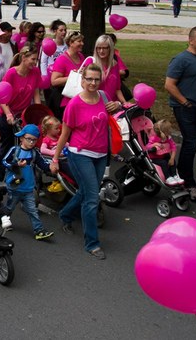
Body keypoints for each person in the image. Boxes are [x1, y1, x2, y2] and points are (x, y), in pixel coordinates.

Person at [50, 64, 114, 260]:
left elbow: (109, 118)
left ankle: (66, 215)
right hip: (80, 153)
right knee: (92, 197)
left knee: (85, 192)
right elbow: (65, 134)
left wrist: (118, 106)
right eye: (89, 79)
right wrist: (55, 158)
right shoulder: (74, 104)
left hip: (101, 154)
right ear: (82, 80)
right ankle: (92, 243)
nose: (93, 83)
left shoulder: (103, 97)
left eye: (96, 79)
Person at [164, 26, 196, 202]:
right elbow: (169, 85)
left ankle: (179, 174)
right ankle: (188, 183)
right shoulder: (181, 60)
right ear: (191, 40)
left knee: (191, 143)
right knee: (191, 142)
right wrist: (185, 102)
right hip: (185, 107)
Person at [0, 45, 42, 180]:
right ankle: (1, 176)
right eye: (32, 59)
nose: (34, 63)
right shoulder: (12, 73)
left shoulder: (35, 72)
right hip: (8, 114)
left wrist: (39, 112)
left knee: (25, 147)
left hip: (23, 116)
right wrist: (8, 114)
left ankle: (22, 176)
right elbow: (2, 97)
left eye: (36, 60)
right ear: (23, 58)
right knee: (8, 146)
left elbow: (36, 94)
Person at [2, 124, 53, 240]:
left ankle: (39, 231)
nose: (31, 142)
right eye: (28, 139)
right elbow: (4, 161)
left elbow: (44, 164)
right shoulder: (14, 150)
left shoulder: (35, 153)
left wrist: (51, 167)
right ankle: (4, 220)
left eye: (34, 140)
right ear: (21, 138)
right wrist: (15, 165)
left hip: (28, 188)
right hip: (14, 187)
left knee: (33, 211)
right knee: (9, 208)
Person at [145, 120, 183, 187]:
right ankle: (168, 178)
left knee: (172, 161)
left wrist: (172, 158)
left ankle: (175, 175)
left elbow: (173, 147)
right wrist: (155, 144)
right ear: (164, 131)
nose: (170, 130)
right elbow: (147, 147)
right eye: (169, 129)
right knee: (164, 163)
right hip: (154, 158)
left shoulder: (168, 138)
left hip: (164, 155)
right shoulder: (154, 138)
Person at [94, 34, 126, 104]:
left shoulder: (115, 65)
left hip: (112, 105)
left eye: (104, 48)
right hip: (96, 104)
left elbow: (117, 89)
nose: (101, 51)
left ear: (110, 48)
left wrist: (124, 103)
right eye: (99, 48)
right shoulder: (91, 63)